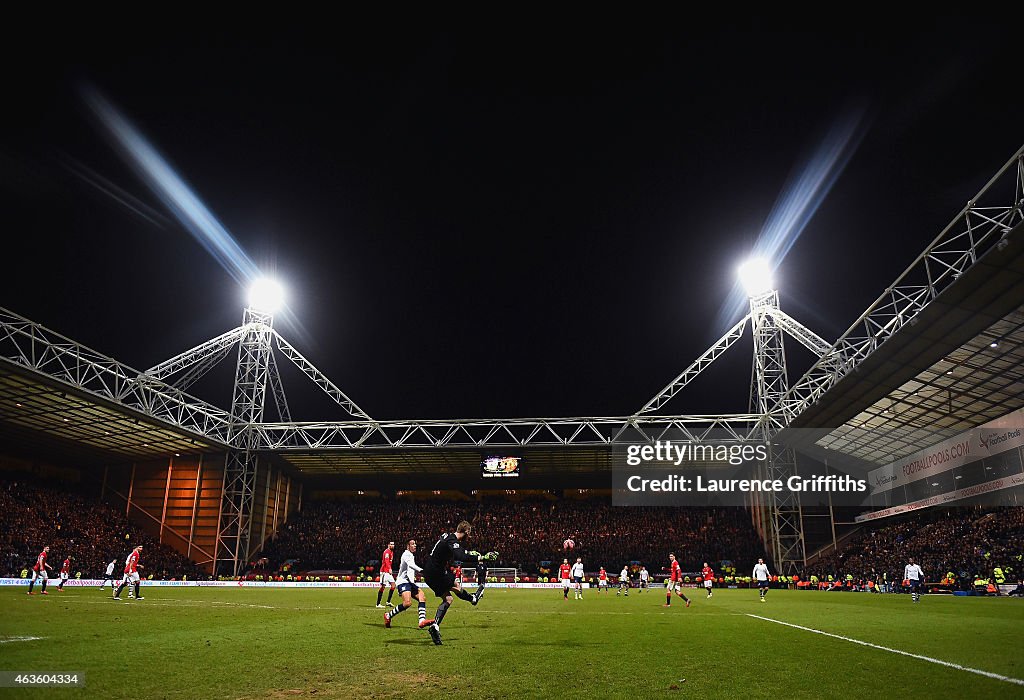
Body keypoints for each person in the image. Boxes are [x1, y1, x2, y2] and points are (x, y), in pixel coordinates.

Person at [422, 521, 497, 645]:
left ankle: (435, 626)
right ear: (466, 532)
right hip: (436, 572)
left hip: (429, 573)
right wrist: (482, 557)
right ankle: (473, 599)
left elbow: (457, 550)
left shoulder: (447, 536)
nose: (470, 536)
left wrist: (468, 553)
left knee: (448, 599)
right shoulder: (452, 540)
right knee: (456, 585)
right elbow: (459, 555)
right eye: (470, 533)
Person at [384, 539, 434, 630]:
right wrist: (421, 570)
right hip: (403, 581)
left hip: (410, 582)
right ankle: (388, 615)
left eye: (415, 544)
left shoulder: (411, 555)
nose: (415, 545)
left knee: (422, 597)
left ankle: (421, 620)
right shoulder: (406, 554)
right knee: (407, 603)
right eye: (413, 544)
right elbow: (410, 565)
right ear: (408, 546)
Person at [376, 541, 397, 609]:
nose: (392, 545)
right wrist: (389, 568)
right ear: (388, 545)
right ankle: (378, 603)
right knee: (383, 587)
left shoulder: (391, 552)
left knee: (393, 586)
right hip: (384, 572)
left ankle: (388, 602)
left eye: (393, 544)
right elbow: (386, 561)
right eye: (391, 544)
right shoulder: (387, 552)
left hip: (388, 572)